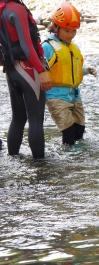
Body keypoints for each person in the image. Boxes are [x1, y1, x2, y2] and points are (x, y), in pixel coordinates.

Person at [0, 0, 52, 159]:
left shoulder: (2, 9)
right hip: (28, 69)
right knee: (36, 119)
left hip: (12, 69)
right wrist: (41, 70)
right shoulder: (17, 9)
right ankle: (40, 168)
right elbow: (27, 45)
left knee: (18, 118)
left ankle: (13, 159)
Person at [42, 1, 97, 146]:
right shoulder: (48, 47)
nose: (70, 35)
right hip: (56, 96)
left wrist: (86, 70)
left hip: (74, 95)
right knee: (68, 131)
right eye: (67, 31)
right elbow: (39, 69)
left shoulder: (73, 47)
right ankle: (69, 160)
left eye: (73, 31)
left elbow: (72, 70)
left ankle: (77, 158)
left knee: (80, 129)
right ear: (55, 27)